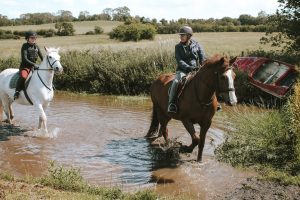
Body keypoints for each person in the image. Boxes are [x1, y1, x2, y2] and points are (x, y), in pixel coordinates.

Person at [168, 26, 206, 113]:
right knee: (176, 82)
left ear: (188, 36)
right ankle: (171, 104)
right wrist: (188, 67)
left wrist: (202, 66)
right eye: (180, 35)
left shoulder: (197, 45)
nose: (180, 37)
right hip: (182, 70)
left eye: (182, 35)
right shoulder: (177, 47)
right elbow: (179, 60)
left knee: (208, 80)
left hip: (196, 70)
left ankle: (214, 102)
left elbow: (202, 57)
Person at [14, 31, 43, 100]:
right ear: (27, 38)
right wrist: (34, 64)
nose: (33, 39)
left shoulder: (36, 47)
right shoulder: (25, 46)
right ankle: (17, 91)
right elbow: (24, 59)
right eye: (32, 38)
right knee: (23, 77)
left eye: (35, 38)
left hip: (34, 67)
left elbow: (42, 57)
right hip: (25, 67)